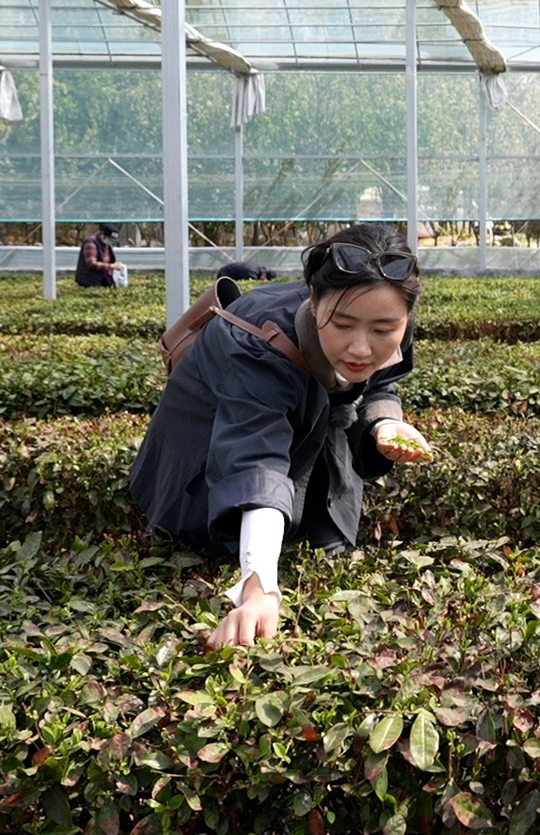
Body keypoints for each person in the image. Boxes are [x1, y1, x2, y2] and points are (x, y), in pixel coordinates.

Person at [130, 223, 433, 648]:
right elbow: (256, 459)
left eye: (383, 330)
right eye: (343, 325)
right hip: (211, 432)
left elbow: (381, 382)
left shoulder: (390, 314)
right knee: (208, 535)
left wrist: (385, 423)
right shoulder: (259, 344)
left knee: (322, 540)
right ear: (314, 300)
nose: (362, 348)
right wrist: (258, 588)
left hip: (313, 420)